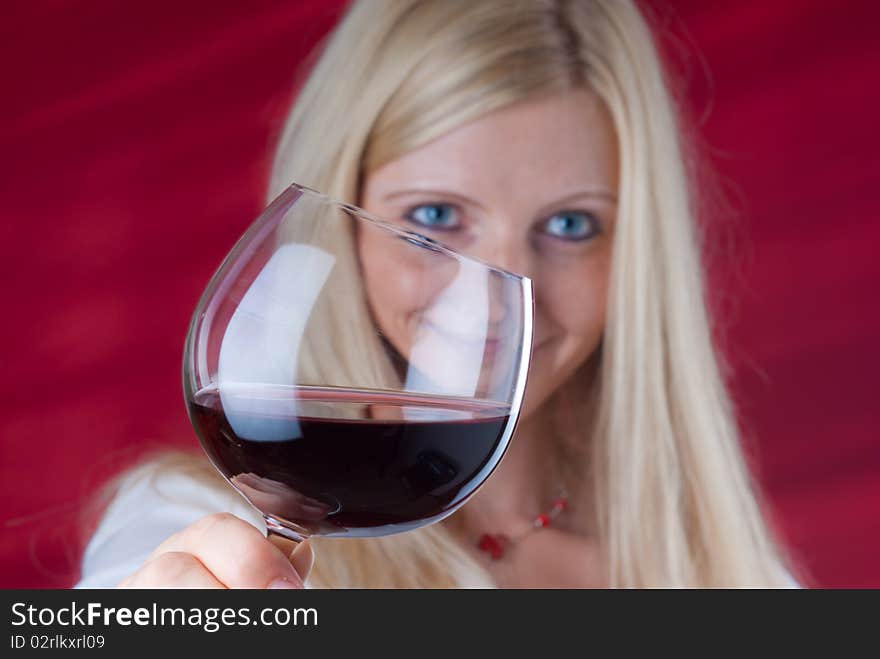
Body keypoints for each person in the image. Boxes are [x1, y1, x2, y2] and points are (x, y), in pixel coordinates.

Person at [75, 0, 799, 589]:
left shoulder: (727, 568)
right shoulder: (187, 526)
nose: (496, 300)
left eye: (571, 223)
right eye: (434, 217)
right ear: (339, 222)